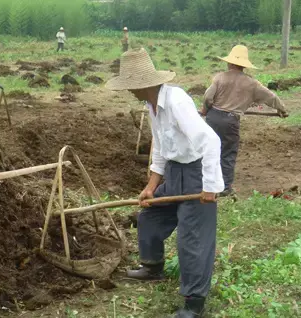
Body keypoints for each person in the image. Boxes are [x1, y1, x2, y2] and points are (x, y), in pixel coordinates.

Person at [106, 48, 224, 318]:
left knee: (191, 240)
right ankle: (152, 267)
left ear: (142, 84)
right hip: (174, 173)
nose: (128, 92)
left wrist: (210, 186)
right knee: (150, 215)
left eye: (130, 86)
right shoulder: (151, 106)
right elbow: (160, 148)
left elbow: (211, 141)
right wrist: (151, 185)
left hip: (196, 175)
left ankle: (194, 304)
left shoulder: (176, 102)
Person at [202, 45, 288, 197]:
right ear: (244, 65)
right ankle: (225, 188)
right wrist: (281, 109)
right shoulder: (251, 83)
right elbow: (271, 97)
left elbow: (208, 97)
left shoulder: (219, 77)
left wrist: (204, 110)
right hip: (230, 121)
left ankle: (205, 183)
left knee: (209, 150)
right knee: (227, 153)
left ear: (230, 63)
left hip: (213, 117)